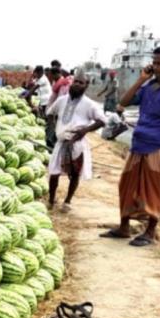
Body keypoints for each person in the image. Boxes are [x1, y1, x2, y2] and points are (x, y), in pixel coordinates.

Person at [100, 45, 160, 246]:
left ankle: (150, 232)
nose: (155, 66)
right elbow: (122, 103)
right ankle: (124, 227)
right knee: (126, 185)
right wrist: (141, 79)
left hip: (158, 143)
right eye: (154, 62)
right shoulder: (148, 86)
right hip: (138, 141)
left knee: (153, 187)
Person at [46, 71, 106, 213]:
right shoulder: (61, 100)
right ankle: (51, 200)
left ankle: (67, 201)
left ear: (86, 85)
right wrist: (53, 129)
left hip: (77, 144)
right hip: (61, 142)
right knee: (53, 172)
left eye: (81, 83)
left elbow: (102, 121)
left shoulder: (89, 104)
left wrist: (85, 131)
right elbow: (50, 113)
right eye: (76, 82)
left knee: (74, 174)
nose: (77, 85)